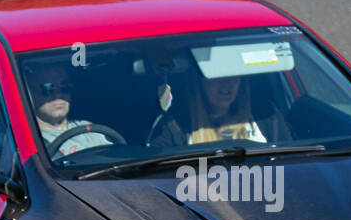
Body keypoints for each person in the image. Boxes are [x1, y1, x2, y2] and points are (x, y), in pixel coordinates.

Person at [148, 72, 290, 146]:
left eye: (233, 76)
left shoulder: (265, 115)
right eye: (217, 77)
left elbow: (288, 162)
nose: (226, 84)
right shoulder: (175, 126)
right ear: (200, 81)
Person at [28, 62, 113, 158]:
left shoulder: (90, 128)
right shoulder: (30, 142)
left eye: (65, 87)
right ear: (30, 95)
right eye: (48, 88)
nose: (58, 95)